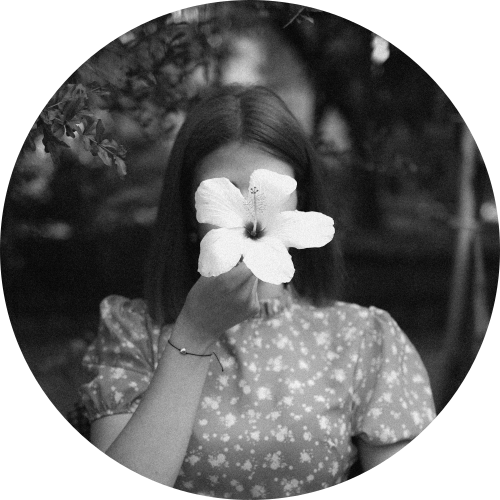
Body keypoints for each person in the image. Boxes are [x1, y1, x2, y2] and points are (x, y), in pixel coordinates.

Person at [80, 84, 436, 496]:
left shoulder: (364, 338)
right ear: (191, 214)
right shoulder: (131, 332)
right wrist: (195, 334)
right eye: (227, 190)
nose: (251, 214)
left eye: (270, 191)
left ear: (301, 203)